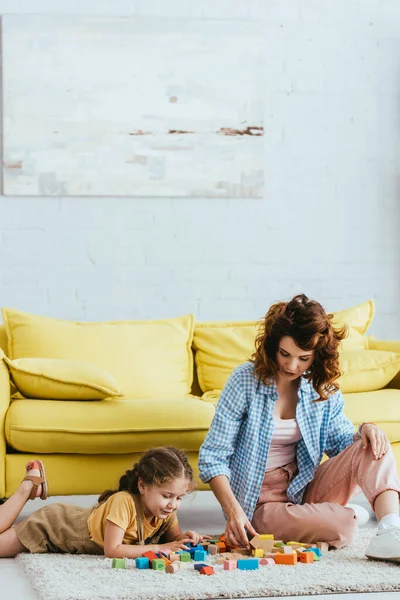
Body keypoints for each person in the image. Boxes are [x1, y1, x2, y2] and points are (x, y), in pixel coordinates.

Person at [198, 294, 400, 563]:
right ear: (272, 346)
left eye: (303, 358)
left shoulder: (321, 387)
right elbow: (212, 457)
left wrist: (366, 429)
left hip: (303, 489)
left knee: (374, 441)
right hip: (258, 503)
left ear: (316, 355)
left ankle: (391, 531)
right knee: (346, 526)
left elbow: (342, 444)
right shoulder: (245, 380)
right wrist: (234, 512)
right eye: (285, 354)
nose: (292, 366)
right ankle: (337, 516)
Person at [0, 446, 206, 559]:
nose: (173, 504)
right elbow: (113, 550)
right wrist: (165, 547)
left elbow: (176, 539)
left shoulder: (165, 512)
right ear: (143, 486)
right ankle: (27, 489)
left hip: (69, 521)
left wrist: (187, 539)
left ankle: (25, 499)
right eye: (167, 496)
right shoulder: (124, 503)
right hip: (53, 526)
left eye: (179, 498)